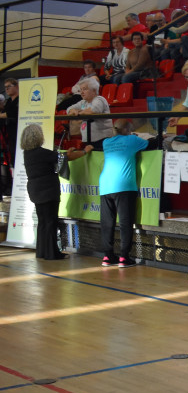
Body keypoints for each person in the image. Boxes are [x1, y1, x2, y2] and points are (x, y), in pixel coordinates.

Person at [93, 119, 151, 268]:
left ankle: (107, 256)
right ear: (127, 130)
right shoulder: (131, 139)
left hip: (105, 185)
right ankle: (124, 257)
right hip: (124, 185)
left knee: (107, 222)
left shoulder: (107, 142)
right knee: (125, 223)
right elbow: (150, 144)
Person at [19, 124, 64, 260]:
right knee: (51, 221)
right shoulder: (42, 153)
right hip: (48, 189)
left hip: (35, 189)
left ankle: (42, 251)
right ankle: (52, 253)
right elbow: (59, 157)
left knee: (43, 222)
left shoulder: (27, 153)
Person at [66, 77, 114, 146]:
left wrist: (78, 112)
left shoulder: (99, 99)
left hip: (101, 140)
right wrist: (73, 111)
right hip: (88, 139)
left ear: (94, 90)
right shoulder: (83, 102)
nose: (82, 92)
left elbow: (93, 111)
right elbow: (69, 109)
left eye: (85, 89)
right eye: (81, 90)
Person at [1, 78, 17, 195]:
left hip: (18, 133)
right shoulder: (8, 102)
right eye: (5, 87)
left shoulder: (20, 100)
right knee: (11, 159)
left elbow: (13, 113)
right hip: (9, 135)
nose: (6, 89)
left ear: (16, 86)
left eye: (9, 86)